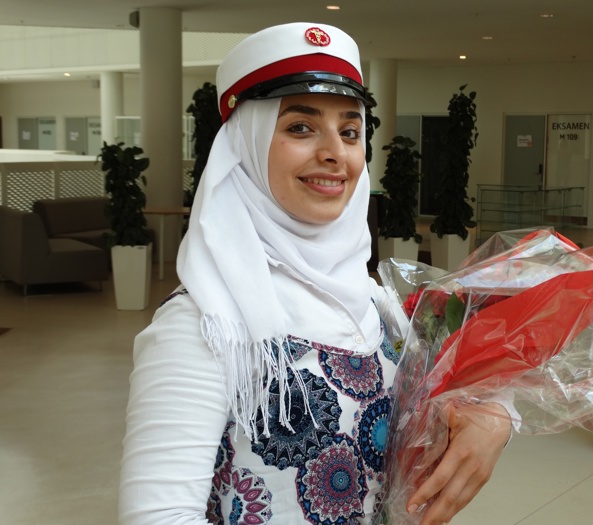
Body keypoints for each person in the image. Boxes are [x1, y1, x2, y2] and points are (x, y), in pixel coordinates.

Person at [118, 22, 511, 525]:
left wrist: (495, 414)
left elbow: (458, 381)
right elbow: (158, 516)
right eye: (300, 128)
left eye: (350, 132)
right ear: (247, 145)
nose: (334, 153)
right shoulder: (205, 325)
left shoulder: (374, 302)